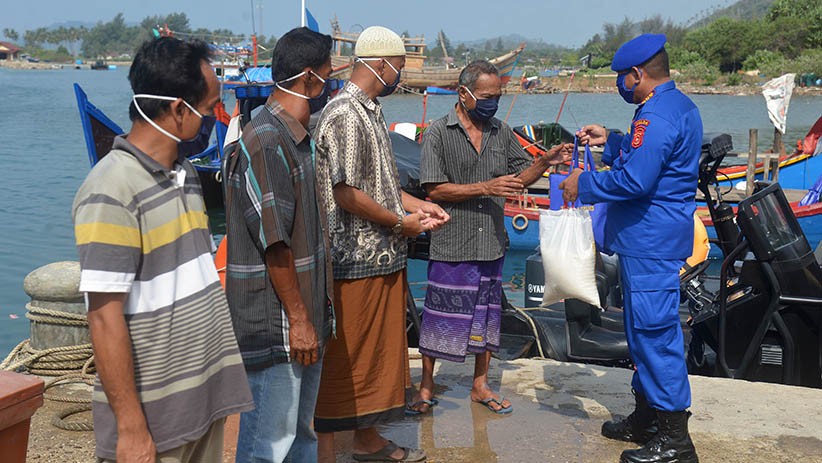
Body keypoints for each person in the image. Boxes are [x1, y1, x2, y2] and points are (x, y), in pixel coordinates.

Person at [72, 37, 254, 463]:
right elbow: (103, 315)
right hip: (157, 419)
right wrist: (132, 429)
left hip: (204, 401)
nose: (213, 119)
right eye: (209, 109)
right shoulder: (110, 190)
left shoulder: (186, 173)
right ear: (177, 110)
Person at [559, 33, 701, 463]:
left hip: (651, 242)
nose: (621, 85)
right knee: (641, 333)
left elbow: (635, 181)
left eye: (623, 77)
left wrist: (581, 184)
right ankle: (646, 418)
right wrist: (615, 140)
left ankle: (675, 439)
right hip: (651, 240)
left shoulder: (655, 116)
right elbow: (658, 158)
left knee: (656, 336)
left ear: (638, 73)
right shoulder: (676, 106)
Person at [313, 25, 450, 463]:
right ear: (382, 64)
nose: (401, 76)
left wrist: (422, 209)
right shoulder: (345, 114)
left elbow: (386, 186)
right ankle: (327, 451)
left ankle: (367, 439)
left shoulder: (370, 111)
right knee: (345, 359)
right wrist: (399, 223)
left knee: (376, 358)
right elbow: (346, 192)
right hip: (353, 259)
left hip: (382, 257)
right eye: (400, 67)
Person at [413, 60, 573, 416]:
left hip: (491, 242)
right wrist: (485, 187)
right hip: (451, 240)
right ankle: (425, 387)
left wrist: (544, 161)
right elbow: (434, 189)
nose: (493, 103)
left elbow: (520, 178)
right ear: (464, 93)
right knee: (440, 316)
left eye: (497, 96)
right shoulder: (438, 132)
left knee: (486, 319)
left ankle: (480, 384)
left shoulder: (500, 131)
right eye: (486, 97)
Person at [223, 27, 334, 463]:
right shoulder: (268, 140)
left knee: (300, 435)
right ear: (308, 79)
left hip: (303, 320)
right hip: (279, 325)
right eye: (328, 77)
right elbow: (275, 245)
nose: (330, 87)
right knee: (268, 444)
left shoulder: (297, 138)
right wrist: (301, 320)